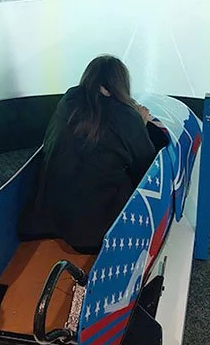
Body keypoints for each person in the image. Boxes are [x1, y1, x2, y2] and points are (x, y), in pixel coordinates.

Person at [18, 55, 163, 254]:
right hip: (91, 234)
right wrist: (141, 125)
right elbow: (147, 170)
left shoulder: (69, 99)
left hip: (44, 218)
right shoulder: (126, 116)